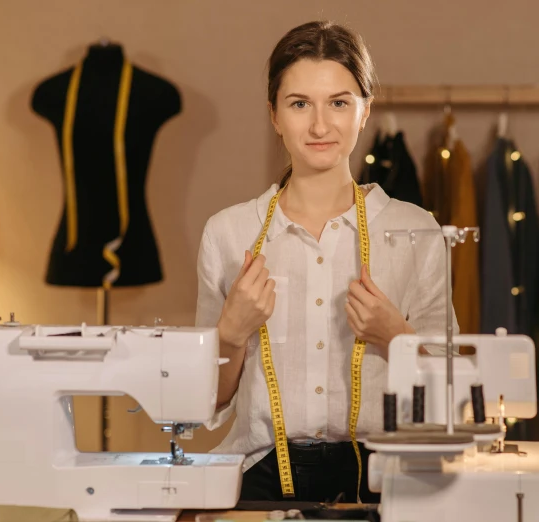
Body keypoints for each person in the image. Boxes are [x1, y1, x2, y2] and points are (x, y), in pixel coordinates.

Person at [195, 20, 457, 503]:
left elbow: (454, 397)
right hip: (259, 478)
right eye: (299, 104)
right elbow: (206, 403)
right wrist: (230, 334)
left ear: (365, 112)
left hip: (383, 476)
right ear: (274, 115)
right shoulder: (228, 233)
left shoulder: (416, 231)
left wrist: (395, 336)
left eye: (339, 102)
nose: (319, 125)